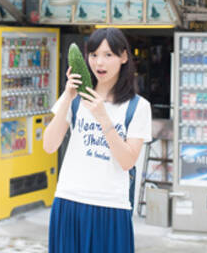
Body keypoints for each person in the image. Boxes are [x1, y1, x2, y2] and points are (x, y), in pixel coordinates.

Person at [43, 27, 152, 253]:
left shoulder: (138, 107)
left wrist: (103, 117)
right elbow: (49, 145)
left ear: (124, 57)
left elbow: (127, 161)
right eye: (93, 55)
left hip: (110, 205)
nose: (99, 62)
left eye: (108, 55)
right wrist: (67, 97)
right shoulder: (75, 98)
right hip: (69, 199)